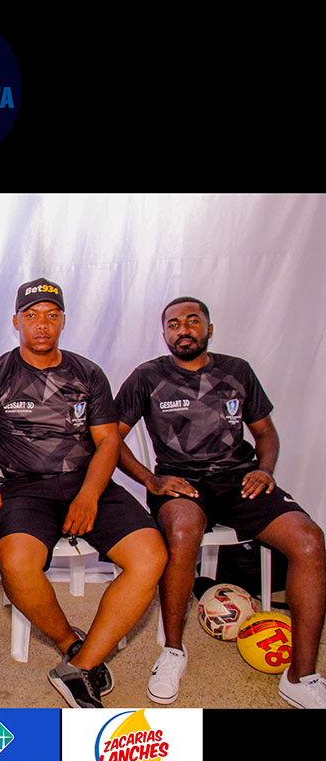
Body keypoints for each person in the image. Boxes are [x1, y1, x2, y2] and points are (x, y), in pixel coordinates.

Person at [0, 278, 167, 708]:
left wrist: (90, 495)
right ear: (16, 322)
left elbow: (108, 441)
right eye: (31, 315)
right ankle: (70, 644)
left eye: (51, 315)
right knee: (16, 562)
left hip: (90, 482)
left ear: (63, 320)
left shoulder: (87, 372)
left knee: (151, 556)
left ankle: (80, 667)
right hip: (25, 489)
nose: (41, 324)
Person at [115, 297, 326, 709]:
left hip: (238, 478)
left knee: (309, 541)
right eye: (173, 323)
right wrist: (151, 480)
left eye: (193, 320)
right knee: (182, 532)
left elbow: (265, 432)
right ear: (164, 334)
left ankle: (301, 676)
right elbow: (110, 438)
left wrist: (264, 469)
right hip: (182, 481)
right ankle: (173, 652)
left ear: (209, 328)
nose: (183, 329)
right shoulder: (147, 376)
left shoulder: (237, 371)